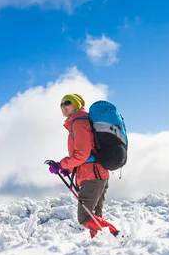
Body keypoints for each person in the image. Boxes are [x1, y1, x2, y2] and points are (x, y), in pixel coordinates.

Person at [47, 93, 119, 238]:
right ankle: (102, 247)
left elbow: (82, 154)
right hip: (96, 173)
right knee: (95, 217)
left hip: (92, 175)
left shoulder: (79, 122)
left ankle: (117, 236)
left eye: (67, 103)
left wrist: (62, 165)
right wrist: (70, 169)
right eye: (61, 104)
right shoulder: (80, 122)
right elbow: (88, 152)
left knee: (85, 218)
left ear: (76, 105)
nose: (63, 107)